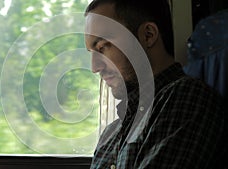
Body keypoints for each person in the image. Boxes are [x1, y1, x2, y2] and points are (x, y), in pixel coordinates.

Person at [84, 0, 227, 168]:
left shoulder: (185, 98)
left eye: (103, 47)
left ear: (148, 35)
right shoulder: (111, 134)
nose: (95, 67)